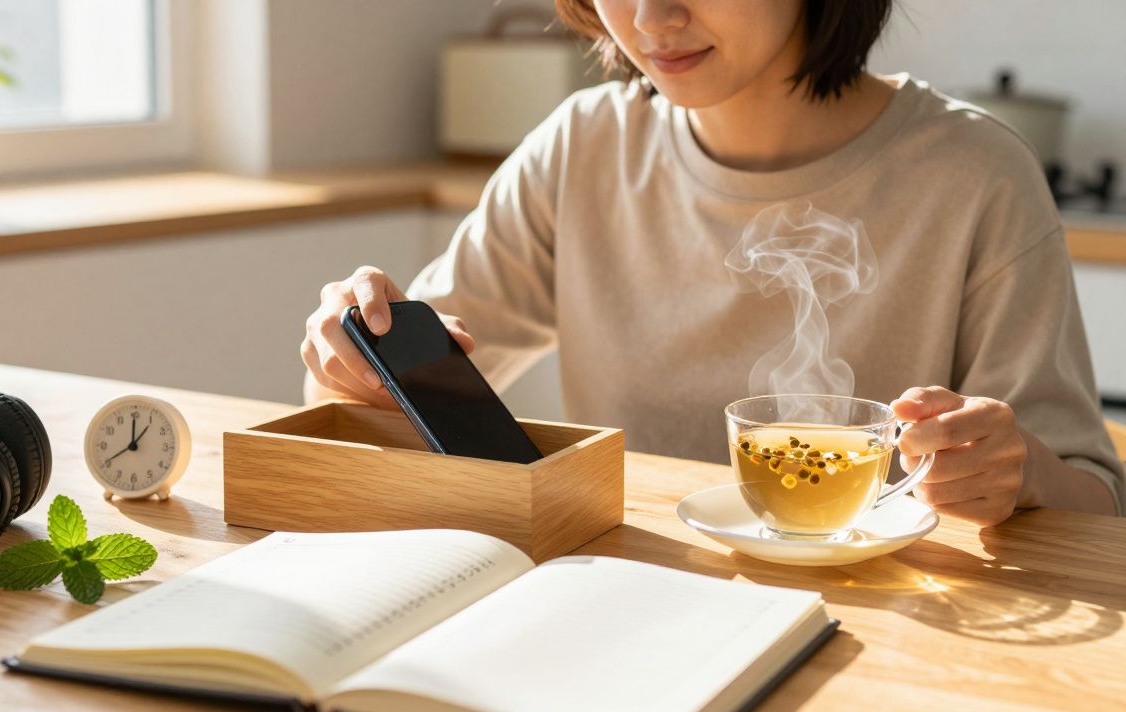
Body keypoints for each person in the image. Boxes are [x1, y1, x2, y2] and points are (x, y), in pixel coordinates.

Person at [301, 0, 1124, 525]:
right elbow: (387, 413)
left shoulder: (975, 173)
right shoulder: (583, 148)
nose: (653, 18)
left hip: (886, 627)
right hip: (633, 607)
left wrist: (1020, 475)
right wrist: (355, 364)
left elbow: (1096, 501)